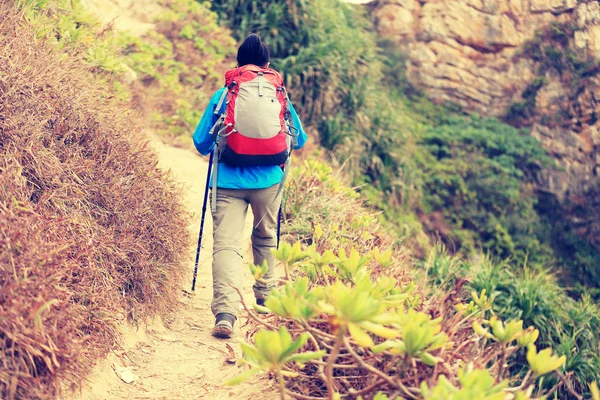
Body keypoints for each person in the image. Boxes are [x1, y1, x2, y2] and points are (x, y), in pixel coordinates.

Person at [192, 34, 307, 339]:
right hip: (269, 181)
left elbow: (200, 143)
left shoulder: (225, 94)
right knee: (266, 238)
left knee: (227, 245)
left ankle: (226, 314)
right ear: (267, 65)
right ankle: (266, 299)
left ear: (239, 63)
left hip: (228, 180)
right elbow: (300, 139)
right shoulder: (277, 93)